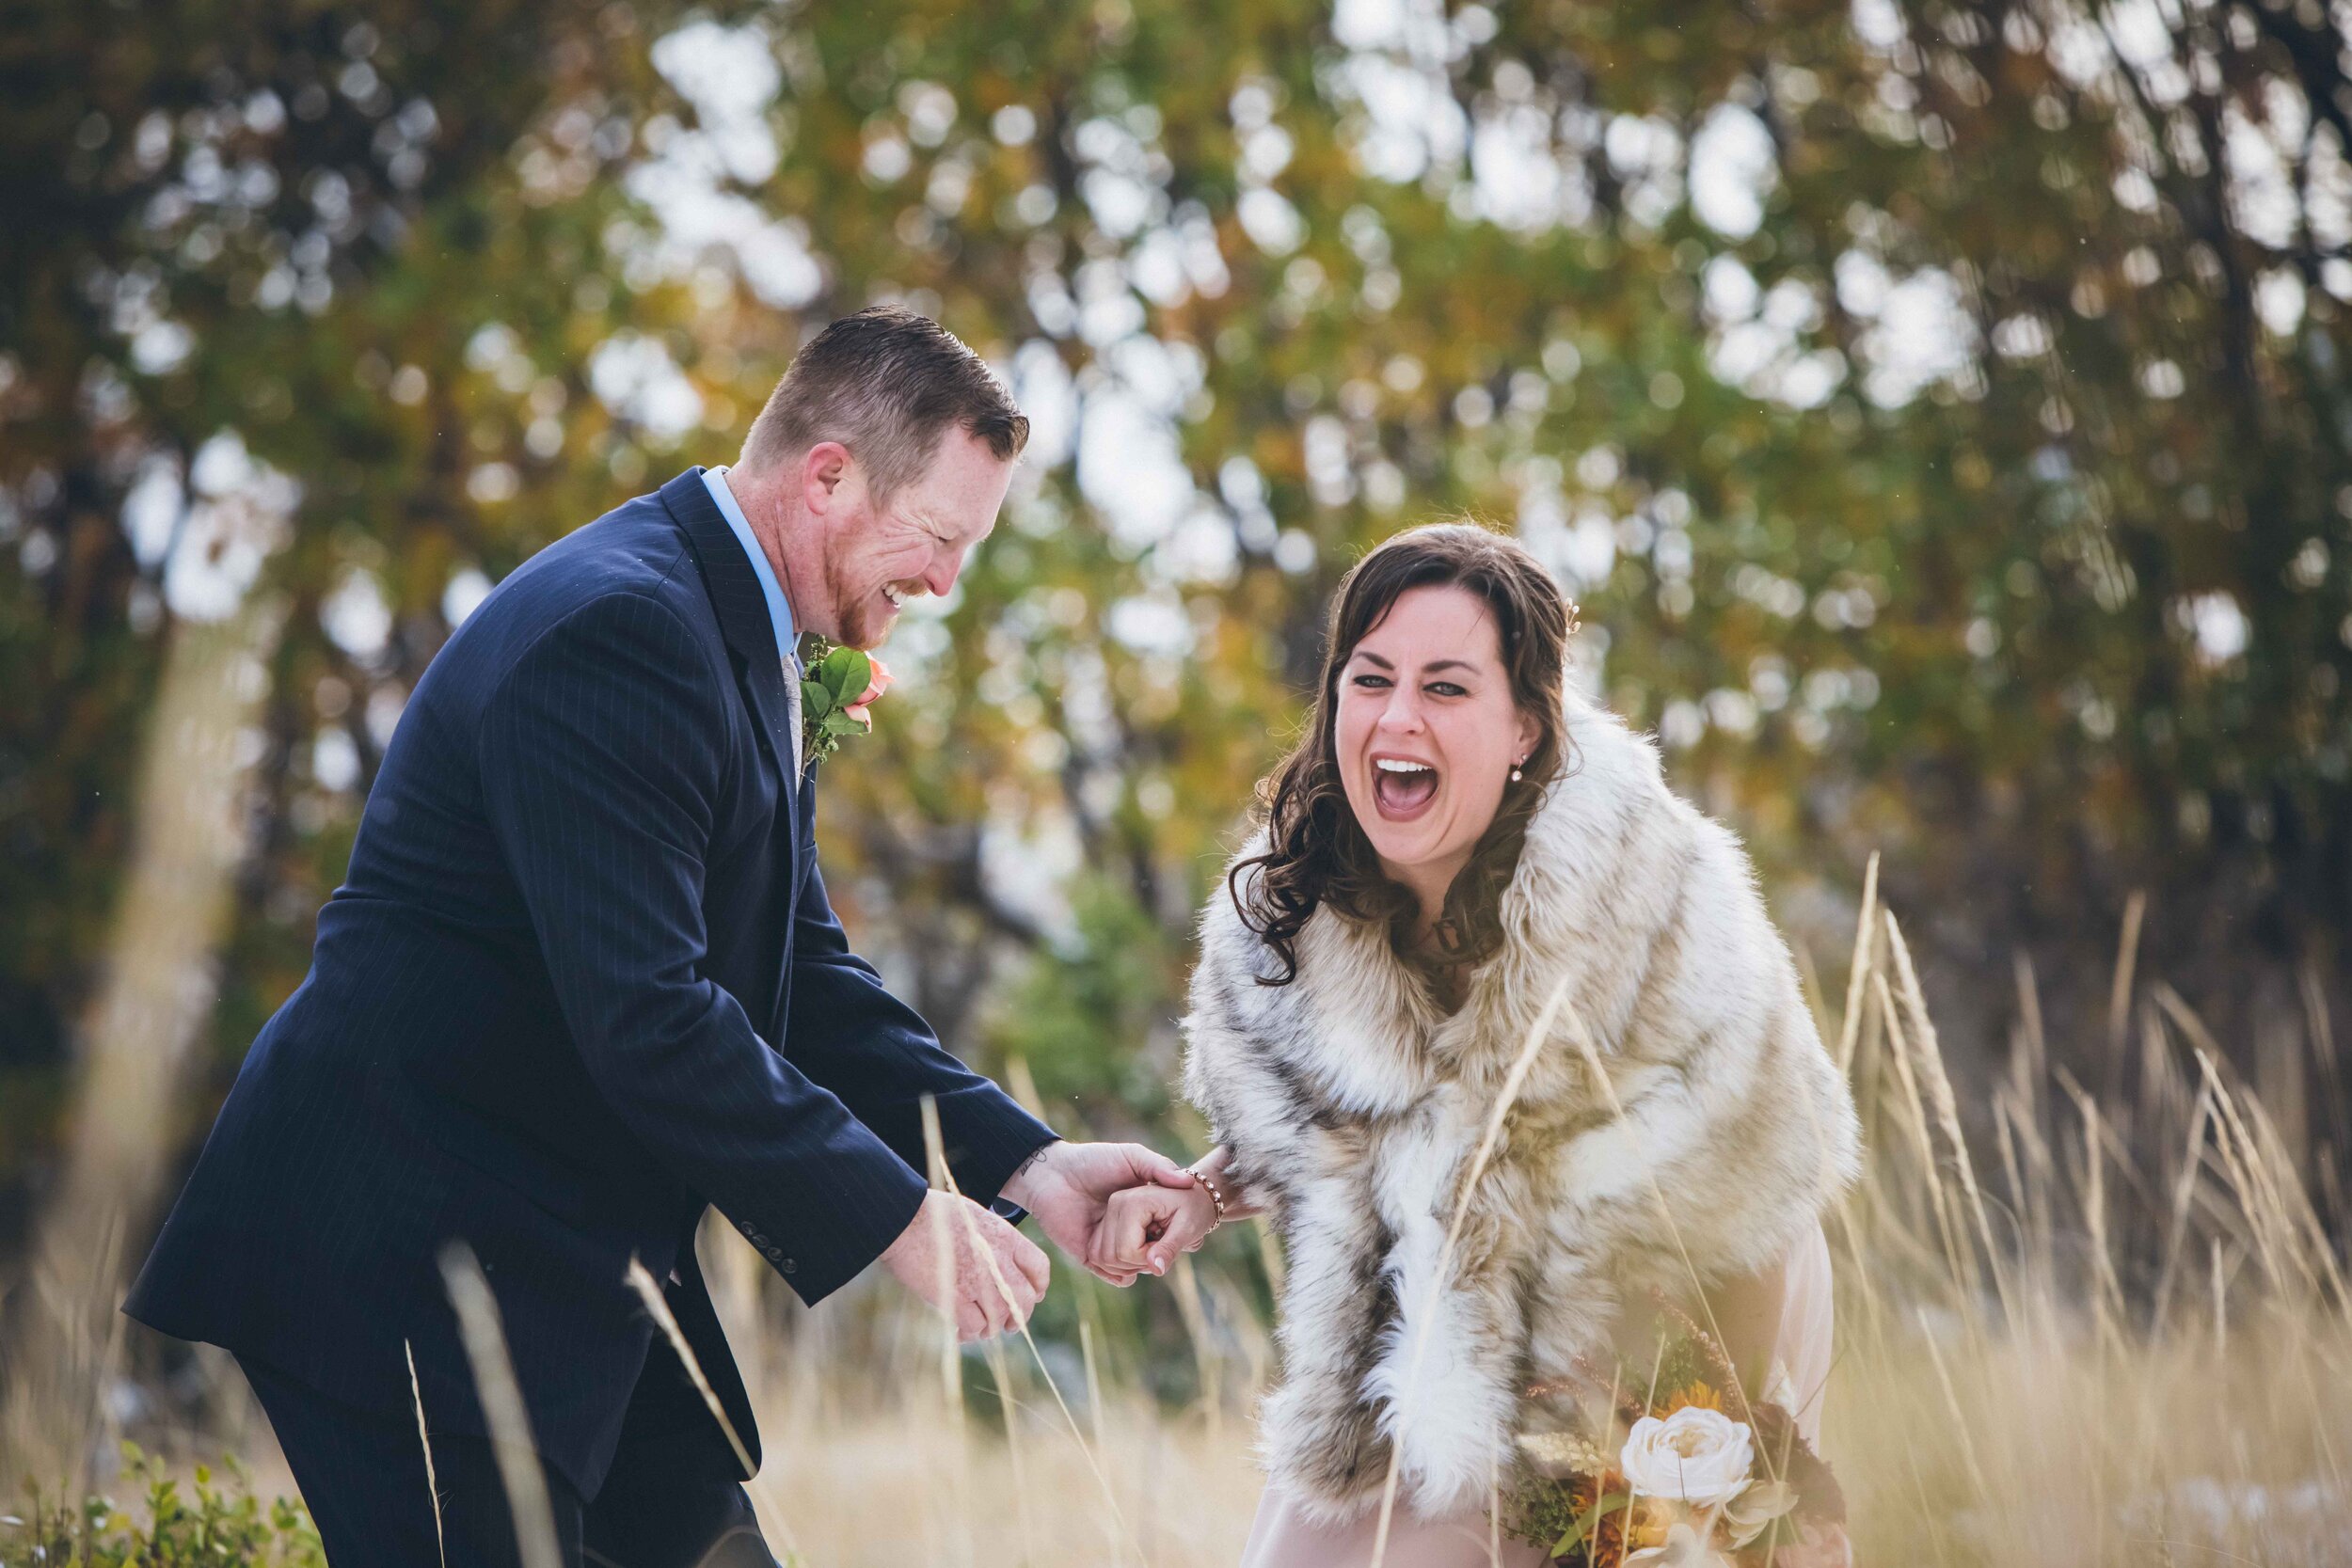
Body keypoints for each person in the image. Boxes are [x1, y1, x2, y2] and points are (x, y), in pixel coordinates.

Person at [125, 306, 1189, 1568]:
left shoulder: (733, 628)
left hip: (573, 1271)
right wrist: (903, 1219)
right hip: (405, 1263)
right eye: (941, 538)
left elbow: (805, 978)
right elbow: (653, 1015)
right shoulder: (620, 630)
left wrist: (1025, 1165)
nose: (949, 583)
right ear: (830, 477)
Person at [1092, 523, 1861, 1566]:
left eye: (1447, 687)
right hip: (1431, 1324)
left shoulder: (1646, 892)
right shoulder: (1294, 902)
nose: (1397, 717)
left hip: (1674, 1322)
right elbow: (1361, 1127)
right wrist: (1206, 1191)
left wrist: (1704, 1454)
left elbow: (1754, 1166)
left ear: (1525, 732)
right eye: (1369, 680)